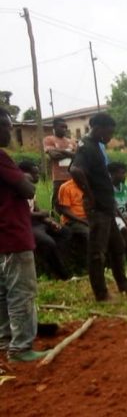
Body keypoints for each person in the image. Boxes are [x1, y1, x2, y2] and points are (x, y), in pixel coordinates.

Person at [0, 109, 50, 362]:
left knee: (3, 292)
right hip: (12, 234)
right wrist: (26, 178)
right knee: (21, 292)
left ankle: (5, 339)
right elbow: (28, 190)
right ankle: (20, 348)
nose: (10, 131)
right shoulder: (1, 158)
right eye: (7, 126)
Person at [70, 112, 127, 302]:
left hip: (106, 206)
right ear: (98, 128)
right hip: (97, 209)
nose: (110, 137)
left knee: (118, 246)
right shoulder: (86, 146)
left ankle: (123, 284)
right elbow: (75, 170)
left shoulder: (97, 146)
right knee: (97, 252)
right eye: (109, 133)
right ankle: (101, 294)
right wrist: (90, 195)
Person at [18, 161, 71, 280]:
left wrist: (48, 220)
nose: (37, 176)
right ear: (24, 173)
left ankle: (57, 264)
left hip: (37, 222)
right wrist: (42, 214)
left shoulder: (30, 188)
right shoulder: (18, 190)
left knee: (65, 232)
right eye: (34, 174)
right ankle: (62, 275)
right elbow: (23, 214)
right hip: (27, 224)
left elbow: (35, 208)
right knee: (48, 242)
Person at [43, 117, 77, 211]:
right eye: (61, 127)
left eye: (65, 127)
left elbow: (77, 156)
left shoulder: (71, 141)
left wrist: (60, 151)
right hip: (58, 177)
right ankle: (55, 217)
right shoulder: (49, 139)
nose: (64, 129)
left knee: (71, 200)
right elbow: (53, 155)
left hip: (71, 176)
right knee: (56, 200)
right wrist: (69, 153)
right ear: (54, 127)